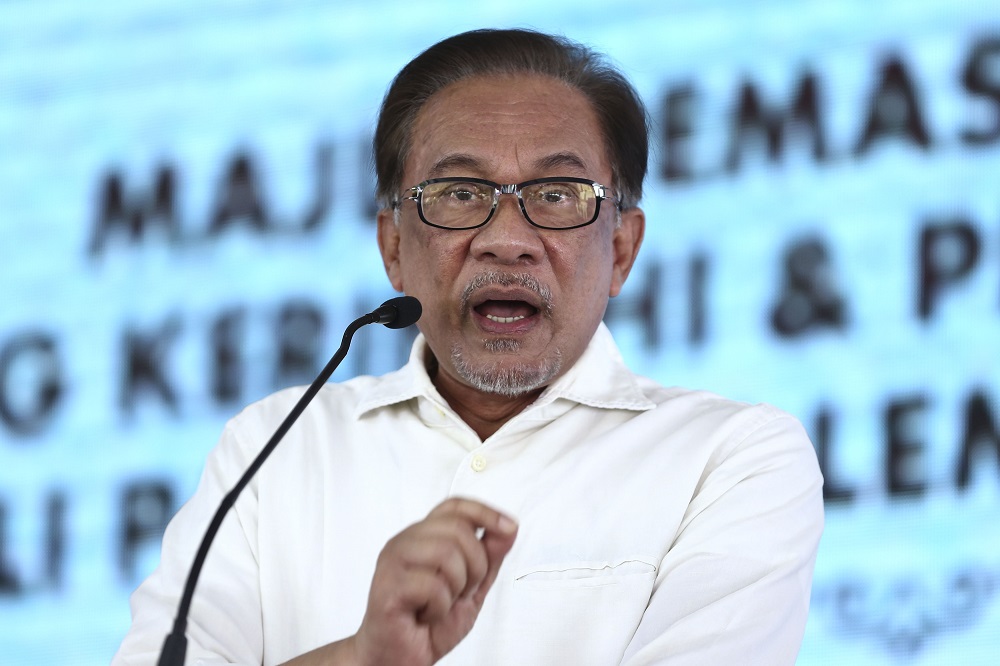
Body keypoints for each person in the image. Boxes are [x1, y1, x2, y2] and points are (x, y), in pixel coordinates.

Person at [113, 28, 824, 665]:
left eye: (557, 193)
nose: (506, 239)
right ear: (394, 247)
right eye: (458, 193)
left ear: (623, 251)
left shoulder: (732, 457)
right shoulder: (275, 449)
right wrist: (365, 660)